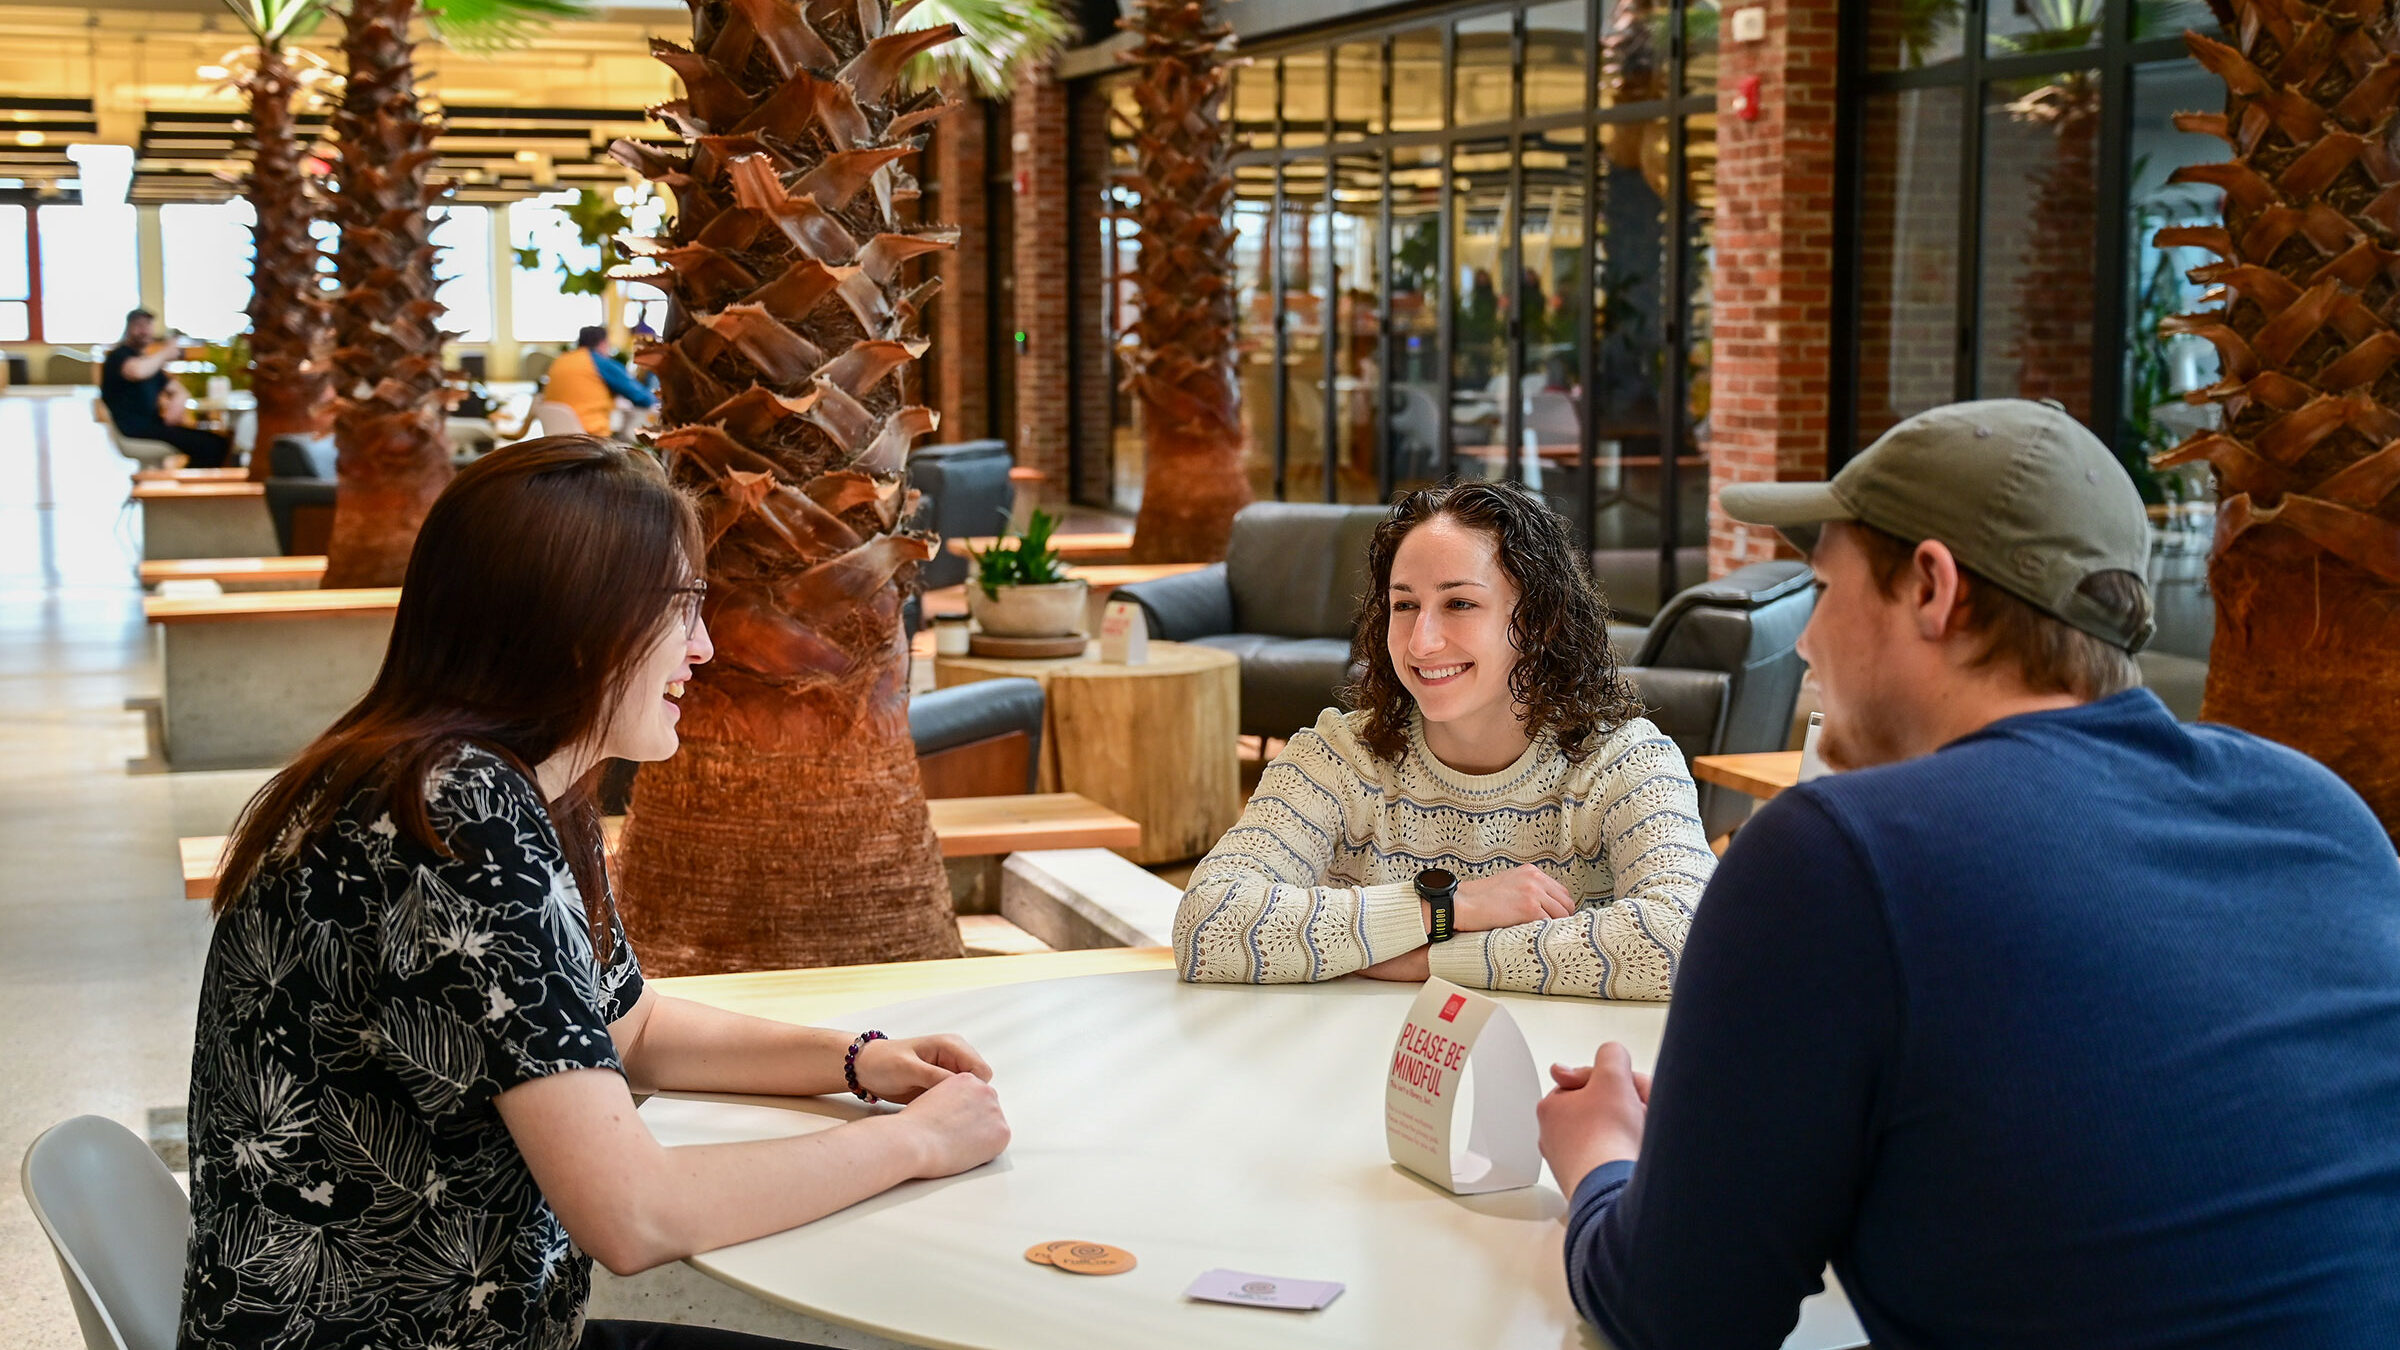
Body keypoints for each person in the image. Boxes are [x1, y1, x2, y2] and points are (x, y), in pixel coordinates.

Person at [1537, 400, 2400, 1348]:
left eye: (1824, 589)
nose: (1810, 642)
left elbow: (1675, 1317)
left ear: (1932, 588)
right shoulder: (2322, 815)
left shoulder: (1837, 854)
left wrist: (1605, 1163)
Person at [179, 438, 1010, 1350]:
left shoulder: (474, 781)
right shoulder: (454, 814)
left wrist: (859, 1060)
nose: (704, 647)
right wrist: (915, 1144)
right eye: (684, 609)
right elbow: (634, 1216)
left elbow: (629, 1027)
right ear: (578, 623)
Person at [1174, 480, 1715, 999]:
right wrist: (1446, 908)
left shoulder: (1624, 763)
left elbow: (1690, 939)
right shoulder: (1337, 756)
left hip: (1548, 1081)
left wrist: (1430, 960)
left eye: (1459, 604)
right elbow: (1208, 925)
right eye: (1404, 605)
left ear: (1537, 621)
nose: (1422, 642)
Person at [100, 308, 233, 468]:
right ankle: (189, 489)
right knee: (209, 446)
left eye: (148, 325)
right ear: (129, 328)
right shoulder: (119, 357)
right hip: (135, 429)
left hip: (156, 425)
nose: (144, 330)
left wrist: (177, 403)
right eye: (139, 325)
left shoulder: (148, 362)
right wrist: (165, 353)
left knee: (218, 441)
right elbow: (137, 371)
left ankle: (190, 486)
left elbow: (178, 390)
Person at [545, 324, 656, 436]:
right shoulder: (598, 362)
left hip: (555, 433)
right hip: (590, 434)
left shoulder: (561, 360)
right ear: (603, 343)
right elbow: (642, 397)